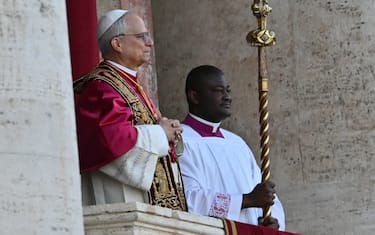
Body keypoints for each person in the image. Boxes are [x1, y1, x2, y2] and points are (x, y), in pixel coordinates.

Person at [73, 9, 186, 211]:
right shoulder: (102, 87)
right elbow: (109, 140)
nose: (150, 42)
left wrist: (167, 131)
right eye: (142, 36)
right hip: (121, 201)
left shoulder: (128, 83)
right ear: (117, 44)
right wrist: (160, 133)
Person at [179, 65, 285, 230]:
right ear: (194, 96)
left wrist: (271, 220)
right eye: (218, 90)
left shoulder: (237, 143)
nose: (227, 97)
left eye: (228, 90)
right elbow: (188, 200)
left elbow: (266, 195)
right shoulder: (180, 140)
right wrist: (247, 200)